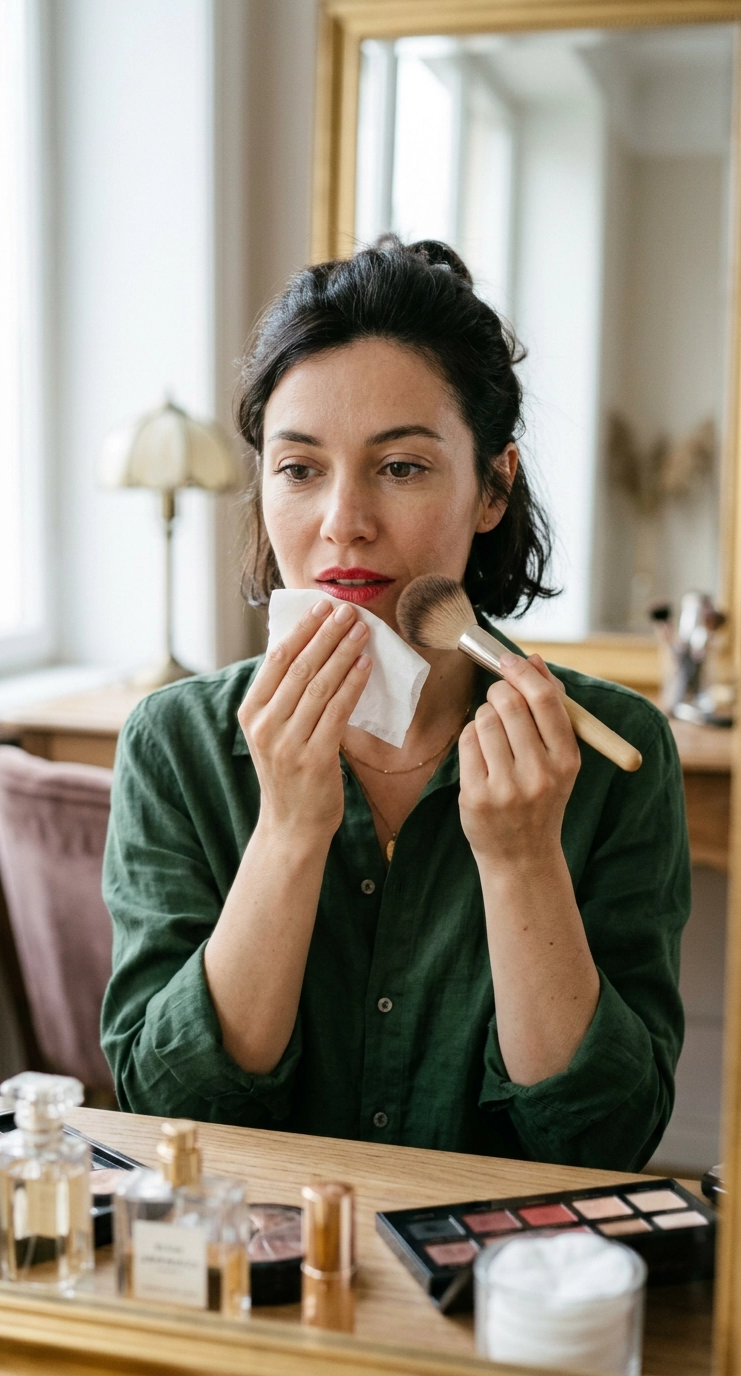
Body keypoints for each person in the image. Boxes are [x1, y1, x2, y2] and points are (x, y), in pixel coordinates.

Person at [101, 238, 690, 1169]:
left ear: (494, 485)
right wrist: (289, 830)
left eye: (402, 467)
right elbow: (173, 1114)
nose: (343, 520)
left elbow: (604, 1137)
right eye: (299, 469)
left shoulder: (618, 754)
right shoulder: (175, 744)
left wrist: (524, 858)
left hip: (504, 1289)